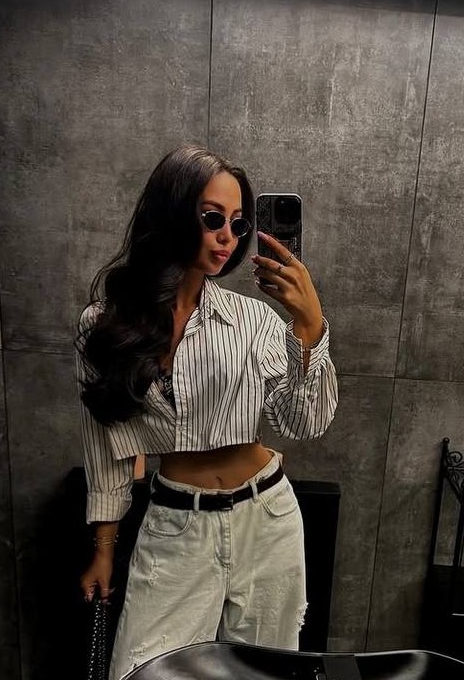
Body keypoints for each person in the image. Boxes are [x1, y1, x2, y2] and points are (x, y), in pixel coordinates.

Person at [75, 145, 338, 680]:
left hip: (267, 521)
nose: (228, 238)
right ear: (172, 212)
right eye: (213, 219)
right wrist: (104, 548)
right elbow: (105, 447)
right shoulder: (104, 325)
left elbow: (302, 423)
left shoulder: (253, 319)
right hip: (176, 526)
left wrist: (309, 328)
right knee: (142, 669)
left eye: (239, 224)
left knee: (264, 674)